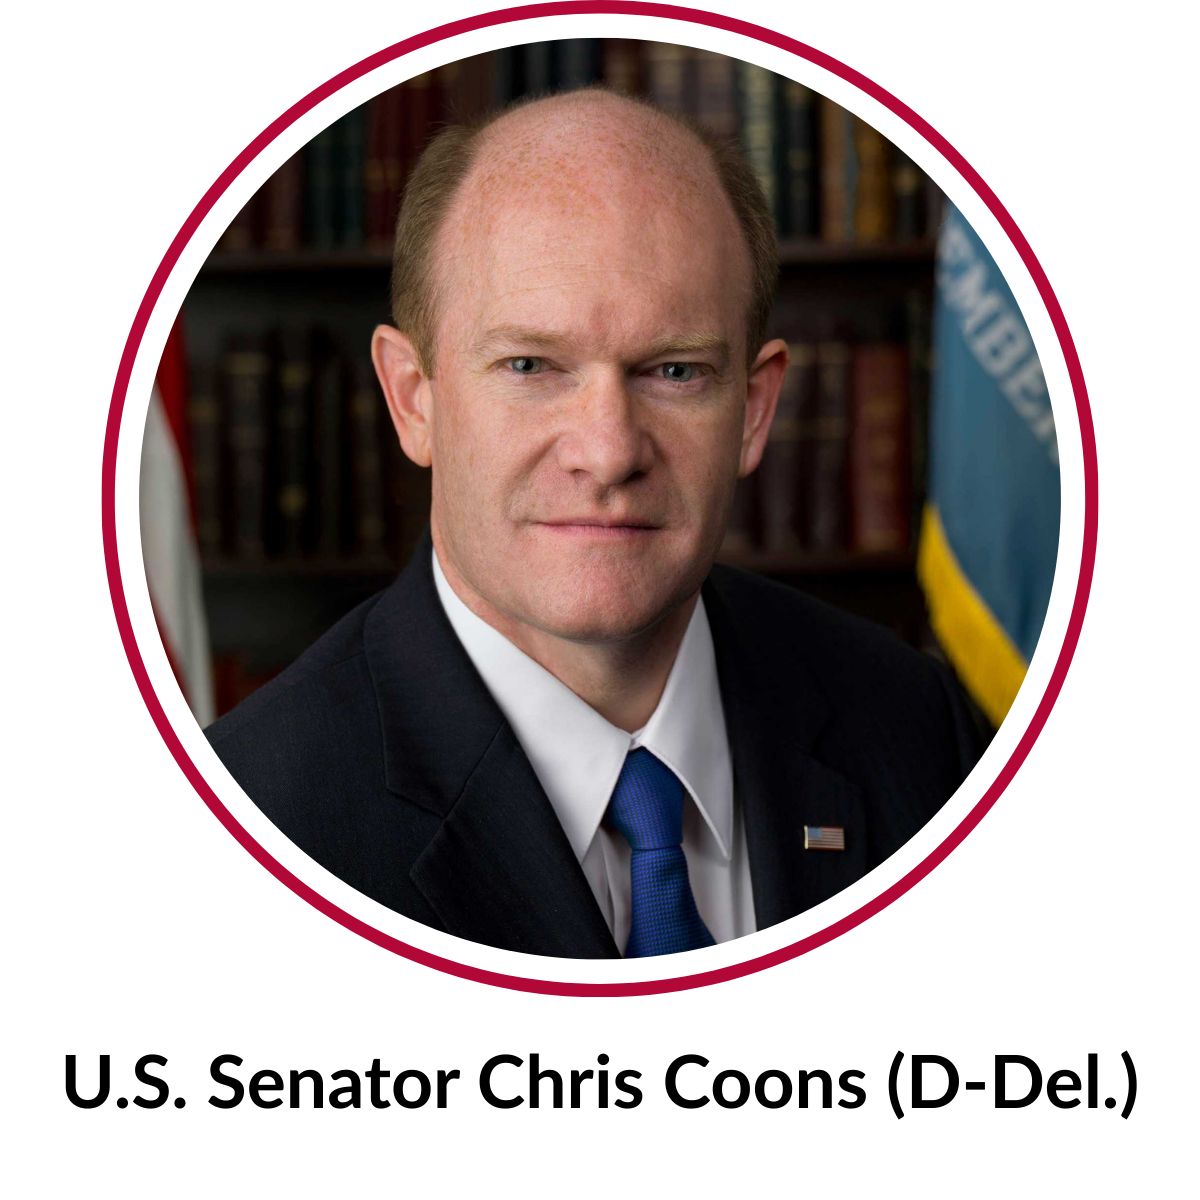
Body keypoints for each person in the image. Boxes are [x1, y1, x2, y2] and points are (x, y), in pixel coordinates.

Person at [205, 85, 983, 959]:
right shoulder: (260, 808)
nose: (609, 453)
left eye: (676, 371)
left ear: (756, 411)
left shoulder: (919, 732)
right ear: (412, 399)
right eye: (530, 363)